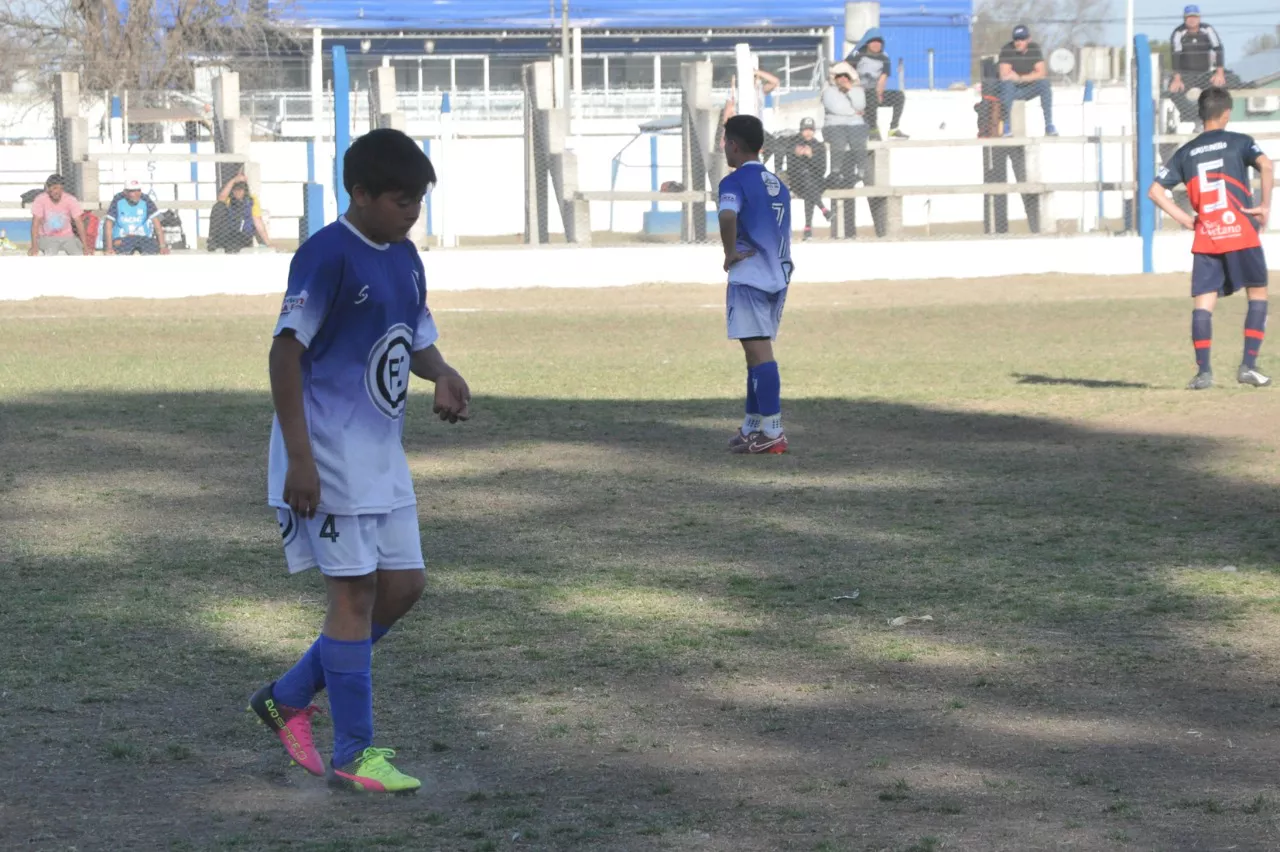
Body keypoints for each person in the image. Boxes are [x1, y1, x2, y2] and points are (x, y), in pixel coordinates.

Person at [247, 128, 471, 795]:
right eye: (401, 200)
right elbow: (285, 354)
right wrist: (300, 461)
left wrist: (444, 373)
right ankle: (354, 754)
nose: (412, 213)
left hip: (381, 453)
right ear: (361, 192)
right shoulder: (327, 255)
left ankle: (288, 695)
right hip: (327, 455)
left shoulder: (403, 256)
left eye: (419, 201)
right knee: (353, 595)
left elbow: (415, 336)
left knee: (404, 587)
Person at [1147, 87, 1273, 390]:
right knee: (1257, 296)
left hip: (1208, 235)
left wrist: (1185, 219)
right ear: (1226, 113)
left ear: (1201, 115)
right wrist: (1265, 205)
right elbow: (1267, 165)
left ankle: (1203, 372)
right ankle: (1248, 366)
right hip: (1241, 230)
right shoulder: (1240, 142)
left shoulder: (1185, 152)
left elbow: (1154, 191)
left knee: (1203, 304)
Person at [718, 114, 793, 455]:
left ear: (733, 145)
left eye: (725, 142)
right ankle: (753, 425)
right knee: (754, 353)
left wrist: (730, 251)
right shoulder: (777, 182)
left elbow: (727, 215)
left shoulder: (732, 183)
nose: (724, 149)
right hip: (779, 273)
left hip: (751, 274)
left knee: (759, 352)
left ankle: (773, 431)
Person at [821, 62, 868, 239]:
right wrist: (853, 112)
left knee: (858, 141)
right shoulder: (829, 91)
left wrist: (850, 92)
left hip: (855, 126)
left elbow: (861, 105)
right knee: (838, 142)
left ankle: (861, 171)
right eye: (839, 77)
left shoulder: (857, 90)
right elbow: (836, 108)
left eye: (845, 77)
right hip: (835, 125)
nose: (842, 80)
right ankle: (835, 171)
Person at [1168, 5, 1229, 126]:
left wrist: (1219, 73)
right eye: (1189, 17)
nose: (1192, 20)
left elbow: (1218, 49)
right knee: (1173, 90)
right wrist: (1177, 78)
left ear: (1199, 18)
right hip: (1186, 75)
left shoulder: (1207, 29)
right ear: (1184, 18)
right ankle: (1191, 118)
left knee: (1220, 89)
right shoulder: (1179, 33)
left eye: (1195, 17)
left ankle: (1215, 118)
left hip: (1205, 73)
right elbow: (1175, 55)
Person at [845, 28, 908, 140]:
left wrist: (880, 93)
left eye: (879, 42)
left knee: (899, 96)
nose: (876, 45)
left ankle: (893, 129)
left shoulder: (884, 57)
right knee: (870, 94)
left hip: (874, 93)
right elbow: (844, 69)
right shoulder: (858, 53)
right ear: (867, 42)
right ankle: (873, 129)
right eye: (873, 41)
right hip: (858, 93)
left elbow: (883, 78)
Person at [998, 25, 1057, 137]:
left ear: (1028, 39)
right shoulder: (1007, 49)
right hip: (1012, 91)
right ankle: (1006, 126)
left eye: (1022, 39)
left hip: (1029, 89)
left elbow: (1042, 73)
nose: (1018, 42)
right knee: (1007, 84)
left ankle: (1049, 125)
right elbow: (1005, 75)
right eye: (1016, 39)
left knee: (1044, 83)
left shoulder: (1034, 49)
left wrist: (1020, 78)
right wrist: (1032, 75)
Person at [777, 117, 830, 241]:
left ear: (814, 131)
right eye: (805, 129)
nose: (808, 132)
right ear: (801, 130)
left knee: (809, 185)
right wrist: (796, 155)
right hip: (798, 183)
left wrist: (811, 156)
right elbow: (791, 169)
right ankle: (822, 211)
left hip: (816, 183)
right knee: (807, 181)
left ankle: (808, 228)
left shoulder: (818, 146)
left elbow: (822, 170)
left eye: (810, 129)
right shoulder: (793, 144)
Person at [29, 174, 91, 256]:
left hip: (68, 237)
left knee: (78, 254)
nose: (58, 191)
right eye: (54, 188)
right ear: (48, 188)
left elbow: (79, 222)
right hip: (47, 238)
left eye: (61, 188)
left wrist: (85, 246)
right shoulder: (40, 200)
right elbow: (35, 224)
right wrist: (34, 246)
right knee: (50, 252)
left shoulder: (70, 200)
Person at [209, 172, 271, 253]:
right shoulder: (229, 199)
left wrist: (268, 243)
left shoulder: (252, 200)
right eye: (235, 189)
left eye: (240, 189)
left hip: (243, 236)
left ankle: (231, 247)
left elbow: (258, 221)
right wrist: (234, 180)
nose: (238, 192)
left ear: (245, 190)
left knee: (233, 246)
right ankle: (212, 240)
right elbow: (221, 199)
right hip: (228, 234)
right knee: (218, 206)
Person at [104, 179, 168, 255]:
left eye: (138, 190)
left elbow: (157, 224)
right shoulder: (118, 199)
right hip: (123, 238)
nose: (136, 193)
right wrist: (109, 248)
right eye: (133, 191)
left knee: (152, 250)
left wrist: (162, 246)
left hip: (142, 238)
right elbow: (108, 224)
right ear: (125, 192)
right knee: (122, 251)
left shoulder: (145, 199)